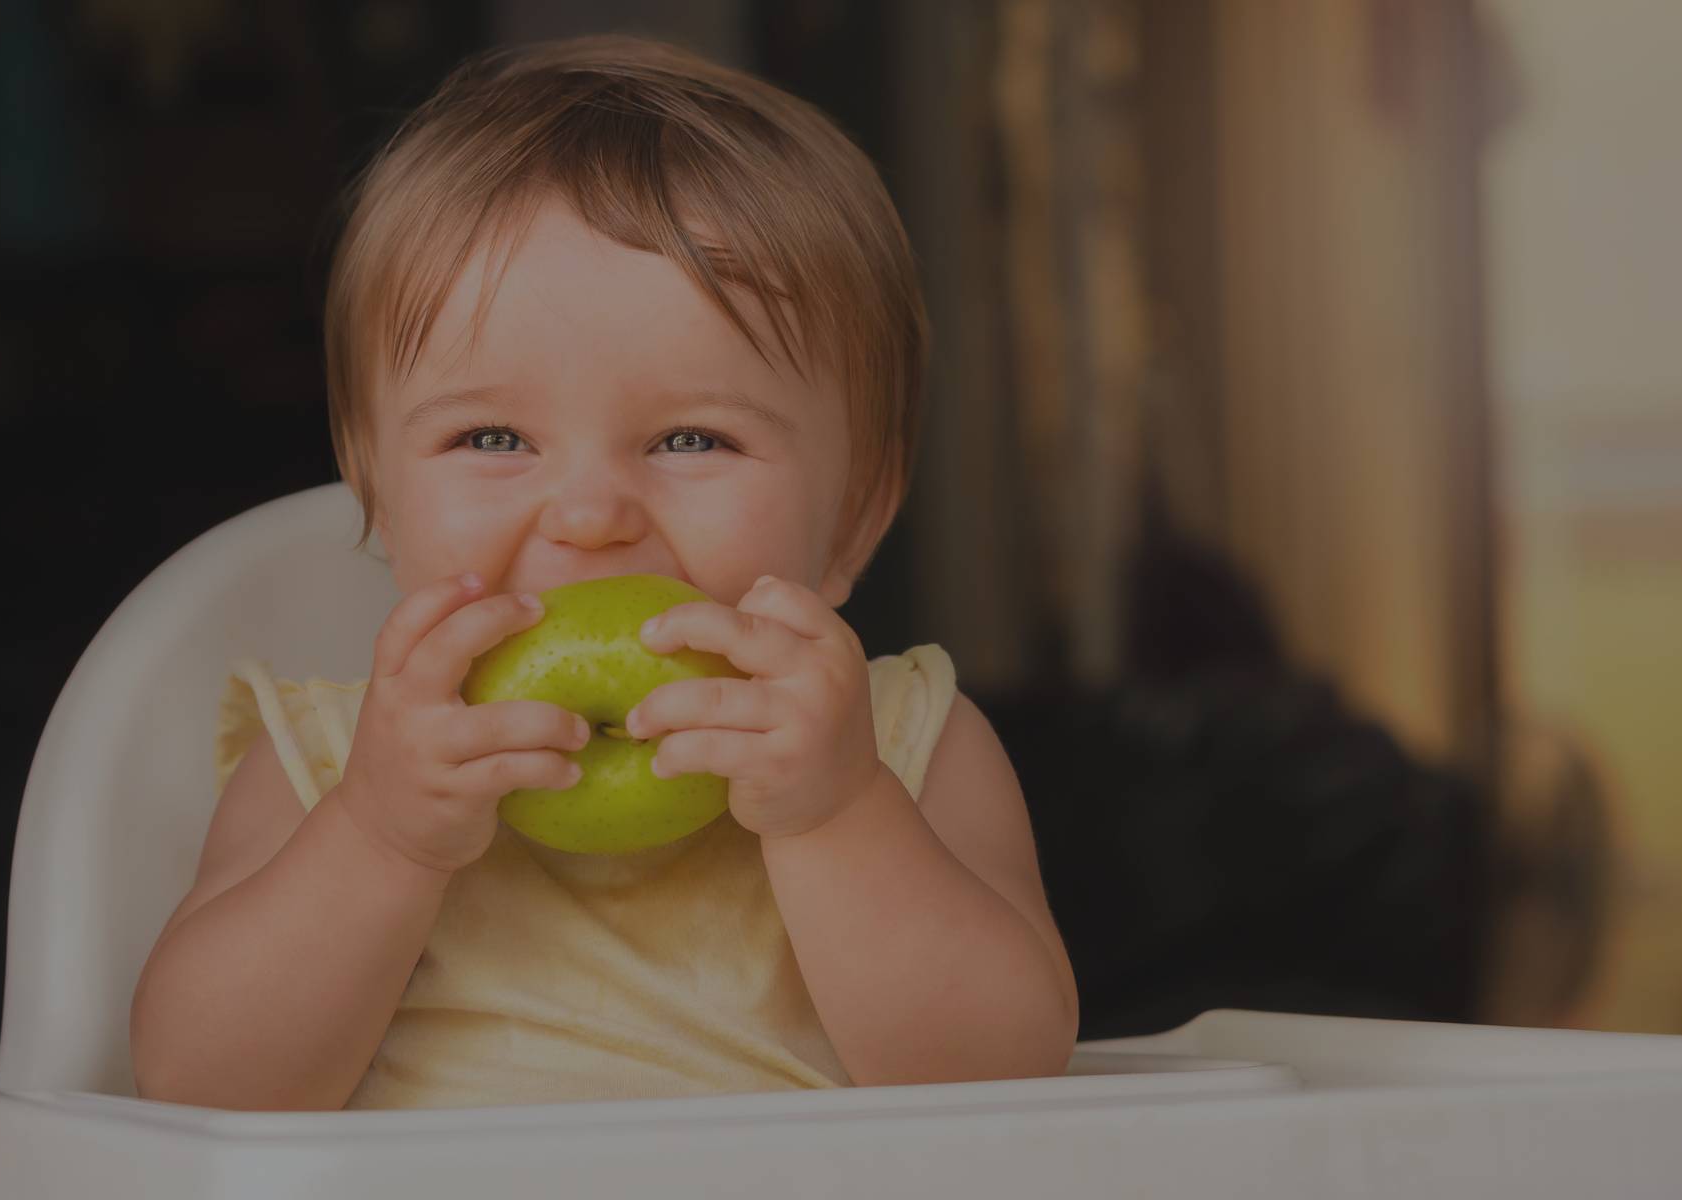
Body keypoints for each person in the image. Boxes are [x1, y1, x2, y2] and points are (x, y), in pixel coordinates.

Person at [128, 34, 1078, 1111]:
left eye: (689, 441)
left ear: (855, 513)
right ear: (378, 497)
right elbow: (197, 1084)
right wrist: (381, 835)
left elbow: (1006, 1082)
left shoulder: (904, 746)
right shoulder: (326, 765)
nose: (587, 519)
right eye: (490, 438)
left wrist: (835, 815)